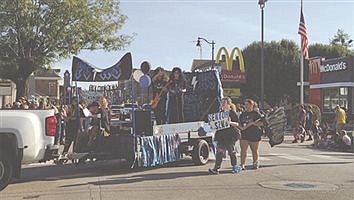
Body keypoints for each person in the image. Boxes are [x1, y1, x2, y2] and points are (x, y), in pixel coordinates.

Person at [209, 98, 241, 174]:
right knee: (219, 152)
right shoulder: (220, 113)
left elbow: (238, 124)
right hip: (221, 136)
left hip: (230, 136)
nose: (222, 104)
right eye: (222, 102)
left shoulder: (232, 113)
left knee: (231, 152)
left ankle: (235, 167)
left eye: (224, 102)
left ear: (228, 104)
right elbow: (215, 124)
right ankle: (216, 169)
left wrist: (230, 122)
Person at [239, 99, 263, 170]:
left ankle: (255, 163)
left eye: (248, 105)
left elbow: (261, 123)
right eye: (245, 105)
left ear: (252, 105)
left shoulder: (256, 113)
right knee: (243, 150)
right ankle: (242, 164)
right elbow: (240, 123)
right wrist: (241, 128)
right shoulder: (242, 114)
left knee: (254, 150)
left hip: (254, 134)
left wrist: (253, 123)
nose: (246, 106)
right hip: (244, 134)